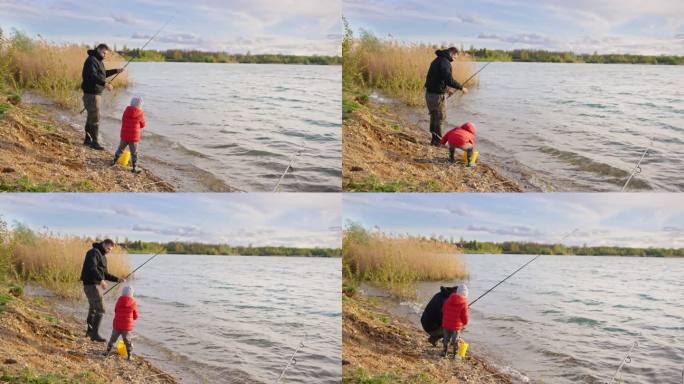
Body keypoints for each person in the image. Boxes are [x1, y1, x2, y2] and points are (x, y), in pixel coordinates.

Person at [81, 43, 125, 150]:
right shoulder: (91, 60)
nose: (105, 55)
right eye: (104, 53)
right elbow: (92, 75)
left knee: (91, 116)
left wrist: (116, 71)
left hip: (94, 94)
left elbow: (102, 74)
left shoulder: (97, 60)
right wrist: (105, 84)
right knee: (95, 118)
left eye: (106, 53)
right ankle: (94, 142)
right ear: (98, 49)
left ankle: (87, 139)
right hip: (91, 94)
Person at [80, 239, 125, 342]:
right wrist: (101, 280)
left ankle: (90, 331)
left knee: (94, 308)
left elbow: (105, 274)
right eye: (108, 248)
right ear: (104, 244)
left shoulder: (103, 256)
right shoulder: (93, 252)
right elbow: (92, 268)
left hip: (94, 285)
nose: (109, 251)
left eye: (111, 249)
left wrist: (117, 279)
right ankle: (94, 335)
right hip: (91, 285)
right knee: (101, 309)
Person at [425, 47, 468, 146]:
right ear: (452, 53)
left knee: (434, 117)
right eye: (456, 57)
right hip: (436, 96)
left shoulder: (437, 60)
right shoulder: (445, 62)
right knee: (440, 118)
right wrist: (462, 88)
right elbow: (449, 80)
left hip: (429, 94)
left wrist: (447, 90)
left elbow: (437, 79)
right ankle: (439, 142)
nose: (455, 59)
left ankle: (434, 140)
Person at [111, 96, 146, 174]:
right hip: (134, 137)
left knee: (120, 149)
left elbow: (123, 120)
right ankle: (134, 168)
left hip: (124, 134)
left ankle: (114, 162)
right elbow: (143, 124)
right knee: (134, 152)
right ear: (140, 105)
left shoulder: (126, 111)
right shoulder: (140, 113)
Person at [104, 286, 138, 361]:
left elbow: (115, 310)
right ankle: (129, 356)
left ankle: (107, 352)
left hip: (117, 324)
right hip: (127, 326)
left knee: (113, 339)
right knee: (127, 341)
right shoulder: (133, 302)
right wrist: (133, 318)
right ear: (132, 294)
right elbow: (135, 315)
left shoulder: (119, 300)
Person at [441, 283, 469, 358]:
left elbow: (443, 310)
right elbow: (465, 316)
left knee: (446, 339)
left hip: (446, 324)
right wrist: (465, 323)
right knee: (455, 340)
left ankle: (444, 353)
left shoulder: (448, 300)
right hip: (456, 327)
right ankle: (455, 354)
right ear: (465, 294)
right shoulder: (464, 303)